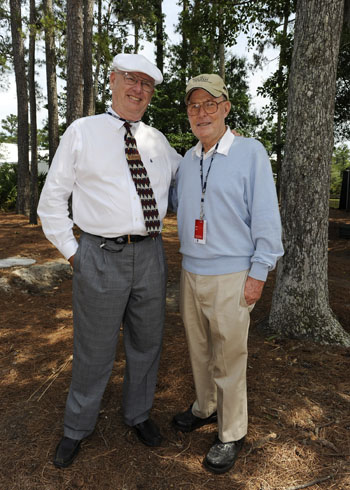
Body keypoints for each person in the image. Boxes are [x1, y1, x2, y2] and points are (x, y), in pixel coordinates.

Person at [38, 53, 181, 468]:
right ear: (114, 81)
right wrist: (74, 254)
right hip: (98, 255)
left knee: (147, 344)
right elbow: (51, 202)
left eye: (147, 85)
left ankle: (138, 415)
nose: (139, 91)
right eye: (132, 81)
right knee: (93, 349)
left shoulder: (158, 141)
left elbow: (192, 175)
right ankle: (76, 428)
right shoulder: (83, 132)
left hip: (151, 254)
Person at [172, 74, 284, 474]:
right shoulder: (187, 159)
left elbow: (267, 219)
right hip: (190, 272)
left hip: (233, 275)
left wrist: (259, 272)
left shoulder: (251, 153)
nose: (201, 112)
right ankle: (205, 407)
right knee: (198, 349)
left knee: (229, 356)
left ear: (225, 108)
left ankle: (232, 432)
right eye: (193, 106)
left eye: (209, 103)